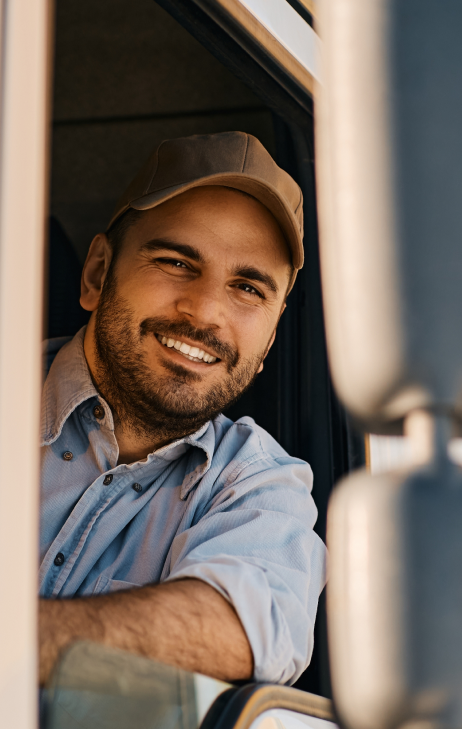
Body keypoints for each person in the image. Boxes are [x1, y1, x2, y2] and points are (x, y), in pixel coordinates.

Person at [39, 131, 327, 687]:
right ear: (98, 274)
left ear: (269, 340)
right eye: (175, 261)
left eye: (248, 288)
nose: (205, 313)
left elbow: (243, 628)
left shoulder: (260, 485)